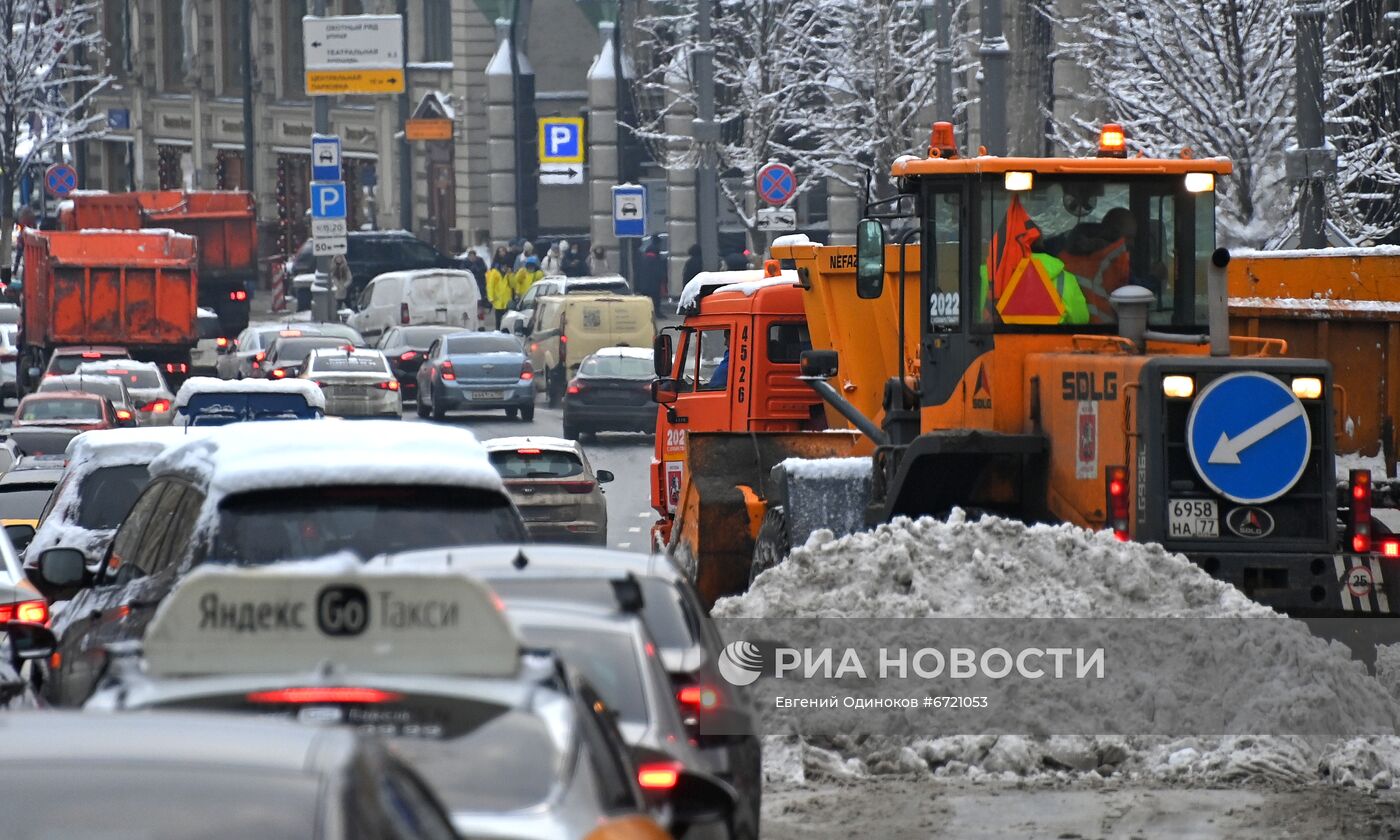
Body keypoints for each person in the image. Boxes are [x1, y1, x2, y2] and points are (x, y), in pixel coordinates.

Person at [980, 195, 1089, 326]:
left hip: (998, 344)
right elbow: (1081, 319)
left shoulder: (987, 274)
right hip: (1053, 345)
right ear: (1040, 244)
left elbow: (976, 314)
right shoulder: (1063, 278)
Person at [1056, 206, 1135, 322]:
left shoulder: (1059, 260)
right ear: (1114, 234)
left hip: (1066, 332)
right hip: (1108, 334)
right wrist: (1154, 278)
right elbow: (1133, 295)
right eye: (1128, 237)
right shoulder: (1117, 261)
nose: (1131, 243)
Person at [638, 236, 667, 311]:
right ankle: (656, 312)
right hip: (654, 285)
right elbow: (659, 272)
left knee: (647, 301)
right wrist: (664, 279)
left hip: (644, 284)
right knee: (655, 300)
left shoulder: (644, 258)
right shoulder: (656, 259)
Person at [486, 256, 513, 329]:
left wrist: (510, 275)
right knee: (498, 320)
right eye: (505, 266)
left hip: (507, 300)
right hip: (498, 300)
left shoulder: (508, 274)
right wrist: (491, 297)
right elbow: (490, 285)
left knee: (507, 320)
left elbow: (513, 284)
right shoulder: (495, 272)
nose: (505, 268)